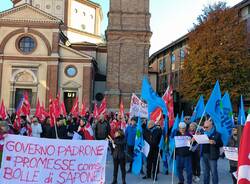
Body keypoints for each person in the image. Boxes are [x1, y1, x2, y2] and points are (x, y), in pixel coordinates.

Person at [202, 119, 223, 184]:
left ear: (211, 126)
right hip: (204, 154)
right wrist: (195, 138)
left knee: (213, 172)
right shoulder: (203, 133)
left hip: (212, 155)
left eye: (206, 127)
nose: (205, 128)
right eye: (204, 127)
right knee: (205, 172)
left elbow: (221, 144)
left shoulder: (217, 134)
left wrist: (215, 142)